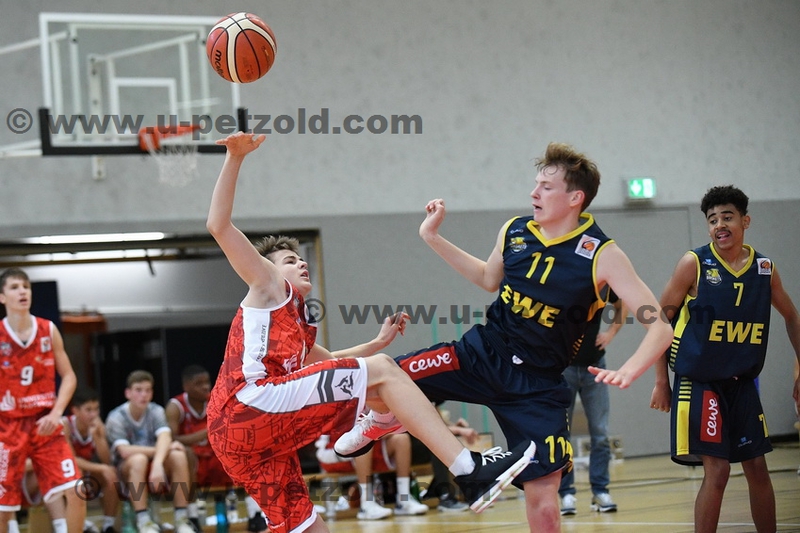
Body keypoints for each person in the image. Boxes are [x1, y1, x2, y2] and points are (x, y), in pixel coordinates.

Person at [205, 131, 535, 533]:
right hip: (248, 404)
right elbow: (218, 225)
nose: (301, 264)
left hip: (242, 440)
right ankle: (467, 469)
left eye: (301, 258)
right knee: (381, 371)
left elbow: (330, 363)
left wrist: (378, 342)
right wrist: (235, 157)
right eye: (291, 260)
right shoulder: (268, 285)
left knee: (307, 527)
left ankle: (376, 419)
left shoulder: (298, 323)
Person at [335, 142, 674, 533]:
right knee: (379, 377)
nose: (534, 192)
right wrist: (432, 236)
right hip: (481, 354)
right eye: (536, 183)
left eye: (546, 187)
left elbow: (659, 326)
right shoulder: (515, 231)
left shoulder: (603, 255)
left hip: (537, 386)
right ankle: (383, 420)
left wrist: (631, 369)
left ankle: (392, 421)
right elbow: (487, 278)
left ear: (575, 198)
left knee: (544, 503)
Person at [650, 185, 800, 533]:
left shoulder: (764, 268)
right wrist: (661, 381)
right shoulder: (694, 263)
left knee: (758, 469)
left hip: (742, 383)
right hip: (699, 382)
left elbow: (792, 316)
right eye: (712, 219)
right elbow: (659, 318)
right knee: (717, 471)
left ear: (745, 221)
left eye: (727, 217)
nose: (719, 225)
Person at [0, 267, 87, 533]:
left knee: (77, 491)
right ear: (2, 297)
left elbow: (69, 376)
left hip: (44, 424)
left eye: (26, 287)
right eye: (14, 287)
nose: (22, 292)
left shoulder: (48, 329)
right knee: (3, 510)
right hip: (8, 428)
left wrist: (56, 413)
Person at [165, 364, 267, 533]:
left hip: (216, 457)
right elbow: (171, 439)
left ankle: (255, 514)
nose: (205, 387)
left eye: (207, 382)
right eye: (199, 383)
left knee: (243, 451)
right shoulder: (175, 406)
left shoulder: (217, 399)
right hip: (193, 461)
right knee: (186, 456)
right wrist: (207, 432)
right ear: (186, 386)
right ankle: (192, 518)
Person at [559, 292, 627, 515]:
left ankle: (600, 491)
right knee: (561, 433)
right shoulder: (563, 281)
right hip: (564, 367)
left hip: (595, 365)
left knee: (600, 432)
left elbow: (622, 304)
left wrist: (611, 333)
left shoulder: (603, 284)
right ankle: (566, 493)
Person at [105, 370, 195, 533]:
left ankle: (182, 520)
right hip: (125, 472)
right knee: (138, 459)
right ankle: (144, 522)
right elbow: (125, 451)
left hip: (154, 469)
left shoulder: (156, 411)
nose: (144, 395)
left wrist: (158, 464)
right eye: (138, 390)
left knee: (178, 455)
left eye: (148, 390)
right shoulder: (116, 416)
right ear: (128, 393)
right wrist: (160, 452)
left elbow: (165, 437)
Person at [314, 432, 429, 519]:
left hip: (369, 444)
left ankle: (404, 500)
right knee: (362, 443)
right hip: (334, 452)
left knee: (401, 439)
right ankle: (366, 504)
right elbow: (322, 451)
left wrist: (383, 432)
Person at [62, 388, 120, 533]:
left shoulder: (97, 426)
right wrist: (101, 468)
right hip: (64, 475)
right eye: (88, 410)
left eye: (96, 409)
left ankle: (108, 525)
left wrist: (97, 437)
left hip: (87, 471)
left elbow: (107, 460)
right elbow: (70, 460)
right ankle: (79, 524)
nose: (94, 414)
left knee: (112, 475)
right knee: (77, 473)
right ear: (75, 411)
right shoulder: (65, 425)